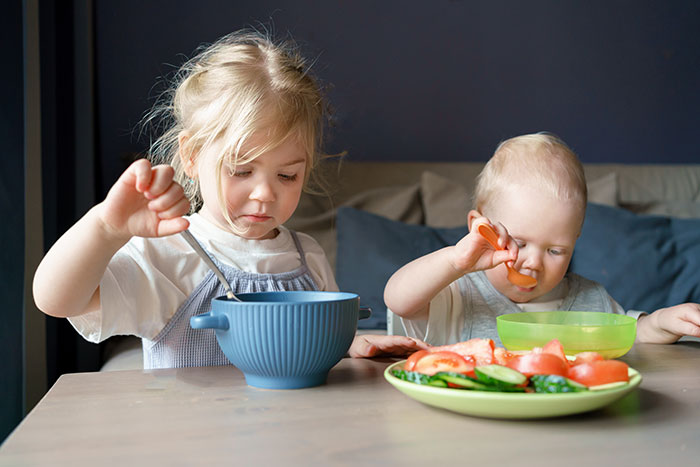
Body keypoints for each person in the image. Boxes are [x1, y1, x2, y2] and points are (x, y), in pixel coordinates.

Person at [33, 31, 428, 368]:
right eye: (241, 170)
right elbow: (57, 300)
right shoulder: (168, 255)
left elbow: (319, 344)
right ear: (191, 156)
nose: (265, 193)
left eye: (287, 175)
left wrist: (355, 344)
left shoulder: (306, 256)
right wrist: (104, 228)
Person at [384, 132, 700, 346]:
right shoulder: (456, 294)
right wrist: (454, 260)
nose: (533, 263)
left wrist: (659, 322)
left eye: (555, 250)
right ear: (480, 229)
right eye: (519, 243)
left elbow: (629, 334)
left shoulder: (590, 300)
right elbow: (398, 300)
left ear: (575, 240)